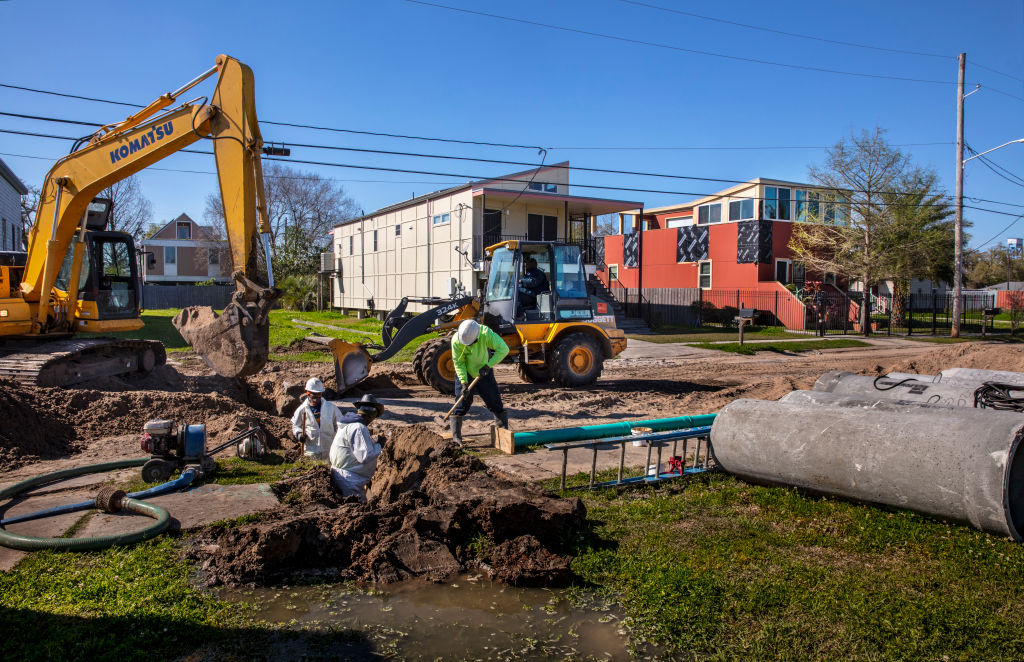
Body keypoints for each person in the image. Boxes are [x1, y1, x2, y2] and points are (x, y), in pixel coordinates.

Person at [449, 319, 509, 446]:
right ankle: (456, 437)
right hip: (465, 372)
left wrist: (488, 366)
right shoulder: (456, 341)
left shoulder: (486, 334)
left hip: (484, 371)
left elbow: (503, 349)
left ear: (476, 337)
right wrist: (464, 383)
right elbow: (459, 363)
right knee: (461, 403)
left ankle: (503, 433)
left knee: (494, 401)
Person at [329, 394, 386, 500]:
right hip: (350, 480)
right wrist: (379, 445)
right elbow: (364, 456)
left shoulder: (349, 424)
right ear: (372, 415)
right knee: (356, 509)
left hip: (344, 475)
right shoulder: (358, 427)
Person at [290, 377, 344, 460]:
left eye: (319, 394)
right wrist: (299, 434)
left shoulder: (331, 408)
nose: (317, 397)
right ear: (308, 393)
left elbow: (341, 425)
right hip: (311, 452)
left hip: (329, 450)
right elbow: (296, 425)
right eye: (314, 394)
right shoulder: (302, 410)